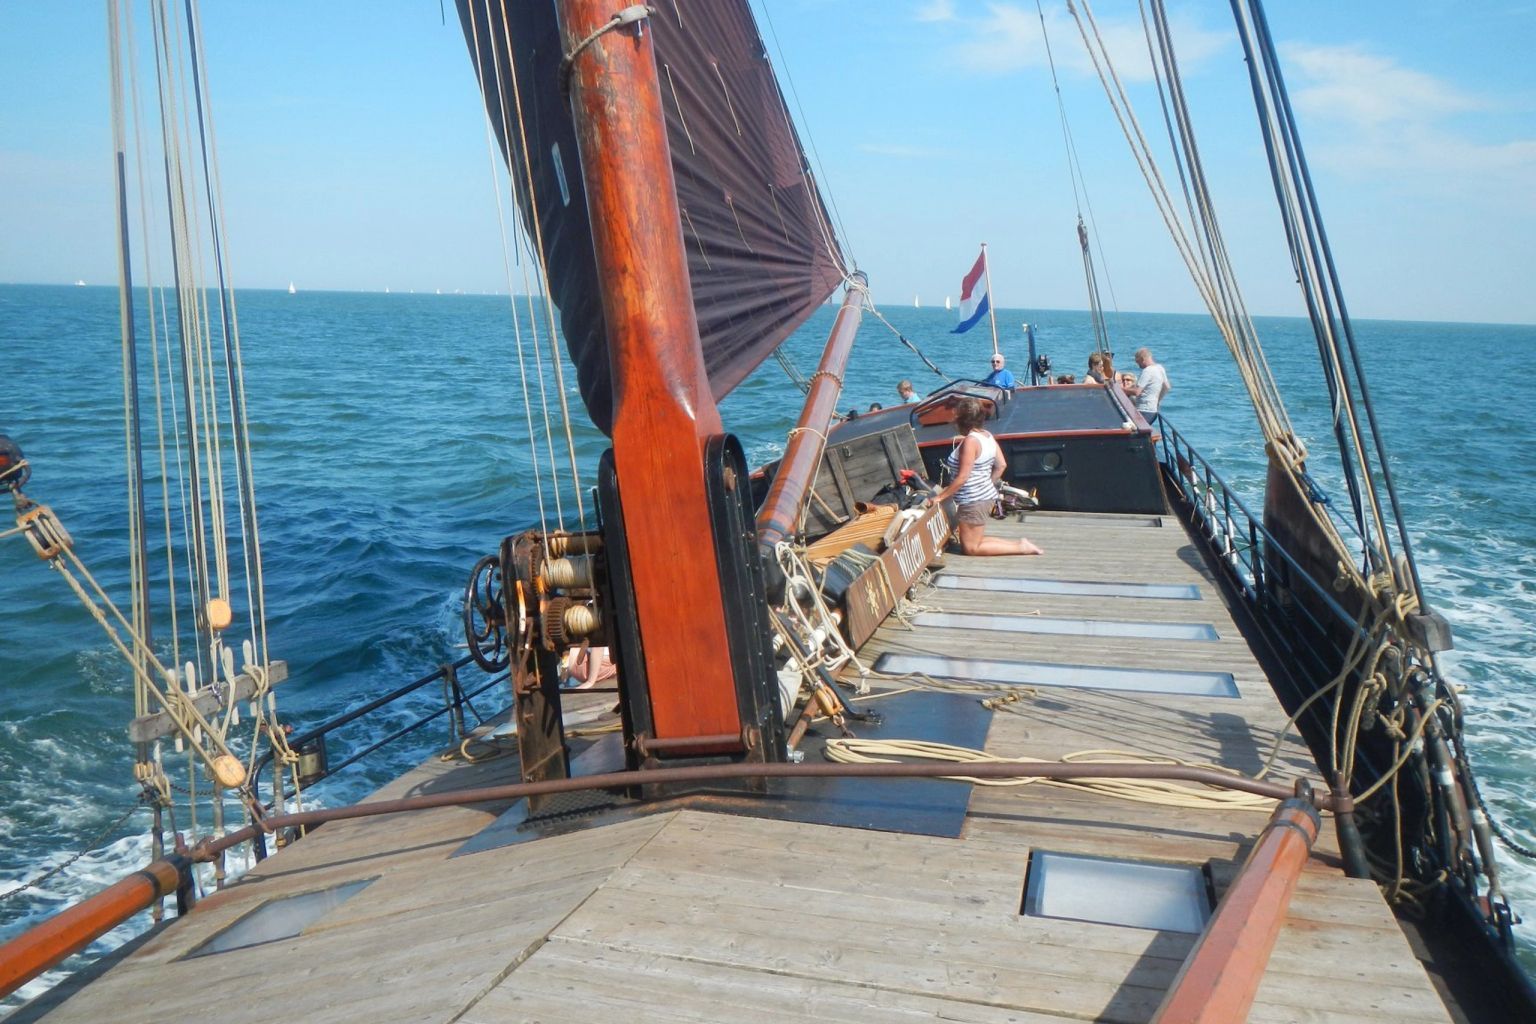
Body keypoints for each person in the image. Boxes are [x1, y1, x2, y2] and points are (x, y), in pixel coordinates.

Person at [929, 397, 1043, 556]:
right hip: (984, 496)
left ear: (961, 420)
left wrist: (940, 498)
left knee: (971, 548)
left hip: (973, 500)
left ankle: (1021, 548)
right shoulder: (987, 435)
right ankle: (1020, 544)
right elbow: (1001, 465)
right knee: (975, 541)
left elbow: (962, 477)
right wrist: (986, 484)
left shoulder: (970, 442)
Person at [1124, 347, 1171, 425]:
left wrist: (1122, 389)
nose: (1138, 365)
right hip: (1153, 410)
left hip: (1143, 410)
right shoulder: (1160, 368)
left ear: (1142, 359)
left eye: (1137, 362)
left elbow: (1137, 392)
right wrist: (1158, 400)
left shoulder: (1147, 371)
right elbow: (1167, 387)